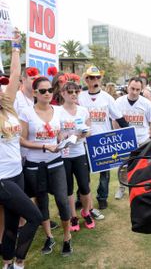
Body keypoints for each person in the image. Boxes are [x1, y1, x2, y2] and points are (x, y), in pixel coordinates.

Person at [0, 30, 43, 269]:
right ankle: (19, 261)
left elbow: (15, 74)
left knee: (11, 224)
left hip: (17, 172)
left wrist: (15, 46)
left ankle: (7, 263)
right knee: (35, 216)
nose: (2, 89)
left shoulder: (8, 108)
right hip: (2, 179)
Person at [20, 76, 72, 256]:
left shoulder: (58, 110)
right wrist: (43, 146)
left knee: (62, 200)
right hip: (34, 164)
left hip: (56, 161)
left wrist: (63, 139)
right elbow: (22, 140)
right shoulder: (26, 112)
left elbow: (60, 132)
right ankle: (49, 237)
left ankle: (67, 238)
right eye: (43, 91)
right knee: (41, 201)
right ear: (35, 92)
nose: (48, 93)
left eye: (50, 90)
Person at [78, 66, 128, 210]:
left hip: (103, 141)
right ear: (86, 79)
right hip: (85, 141)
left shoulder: (107, 97)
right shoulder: (80, 96)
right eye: (92, 77)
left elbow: (119, 117)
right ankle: (80, 197)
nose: (95, 80)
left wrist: (128, 133)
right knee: (83, 173)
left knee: (104, 173)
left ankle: (102, 197)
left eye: (97, 77)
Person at [60, 81, 99, 231]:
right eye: (70, 92)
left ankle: (86, 212)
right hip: (65, 155)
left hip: (80, 153)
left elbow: (89, 130)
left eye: (76, 91)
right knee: (68, 188)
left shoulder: (83, 111)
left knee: (84, 186)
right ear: (63, 94)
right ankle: (73, 216)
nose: (74, 94)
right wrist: (65, 135)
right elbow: (57, 132)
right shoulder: (57, 111)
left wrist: (83, 133)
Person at [113, 77, 151, 199]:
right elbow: (115, 120)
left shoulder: (146, 103)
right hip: (124, 141)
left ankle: (142, 187)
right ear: (127, 87)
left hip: (142, 140)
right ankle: (122, 188)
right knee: (123, 167)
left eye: (138, 89)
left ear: (141, 89)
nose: (134, 92)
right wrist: (118, 135)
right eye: (132, 88)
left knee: (143, 166)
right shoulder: (119, 102)